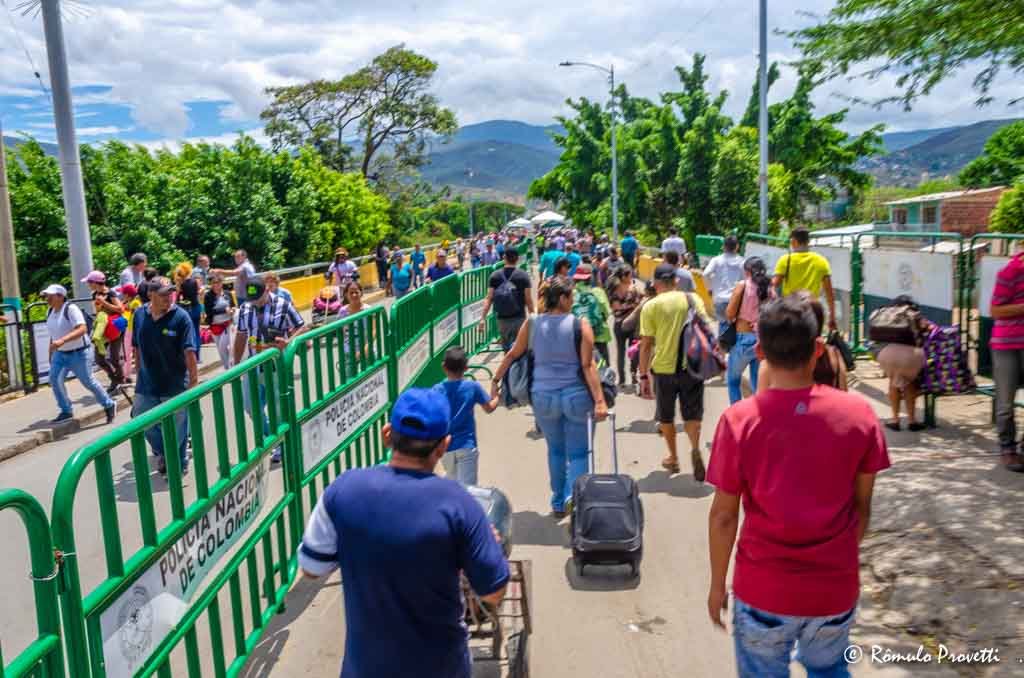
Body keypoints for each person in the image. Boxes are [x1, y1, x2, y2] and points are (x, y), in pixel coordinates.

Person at [706, 296, 890, 678]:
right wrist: (833, 561)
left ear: (759, 350)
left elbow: (724, 516)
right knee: (830, 670)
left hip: (762, 591)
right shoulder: (860, 415)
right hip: (834, 590)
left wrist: (716, 585)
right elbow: (862, 507)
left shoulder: (738, 421)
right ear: (818, 348)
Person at [298, 387, 509, 678]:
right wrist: (492, 546)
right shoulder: (460, 504)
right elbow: (494, 592)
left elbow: (311, 568)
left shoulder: (343, 491)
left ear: (387, 435)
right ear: (443, 446)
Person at [491, 276, 609, 518]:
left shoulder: (532, 323)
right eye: (571, 296)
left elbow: (513, 354)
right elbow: (588, 366)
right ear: (564, 298)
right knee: (578, 453)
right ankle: (571, 497)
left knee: (555, 450)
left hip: (542, 397)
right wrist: (600, 400)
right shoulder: (580, 324)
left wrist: (495, 380)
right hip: (577, 397)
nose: (573, 300)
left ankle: (557, 501)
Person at [638, 263, 712, 478]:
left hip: (663, 369)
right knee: (692, 414)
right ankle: (695, 447)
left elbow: (646, 344)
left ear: (656, 284)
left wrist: (643, 375)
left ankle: (673, 457)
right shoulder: (692, 299)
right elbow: (705, 328)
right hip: (691, 366)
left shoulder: (651, 306)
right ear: (676, 281)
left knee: (666, 417)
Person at [233, 277, 306, 463]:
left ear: (266, 290)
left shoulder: (282, 304)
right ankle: (272, 436)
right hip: (253, 364)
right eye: (252, 299)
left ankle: (281, 444)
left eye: (258, 297)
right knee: (250, 407)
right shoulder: (245, 308)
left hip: (275, 366)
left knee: (278, 409)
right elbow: (241, 335)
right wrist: (236, 365)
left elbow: (302, 326)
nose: (255, 302)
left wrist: (289, 341)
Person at [131, 278, 198, 476]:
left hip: (175, 384)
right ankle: (167, 454)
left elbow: (190, 351)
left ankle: (178, 462)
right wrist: (138, 374)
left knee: (177, 427)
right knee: (142, 422)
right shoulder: (139, 315)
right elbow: (137, 347)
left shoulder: (181, 317)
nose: (168, 298)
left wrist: (193, 383)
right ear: (151, 295)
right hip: (147, 384)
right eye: (162, 295)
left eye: (170, 293)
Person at [41, 284, 117, 424]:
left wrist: (62, 340)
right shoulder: (50, 312)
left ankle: (109, 404)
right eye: (46, 296)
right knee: (54, 379)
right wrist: (51, 352)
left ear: (60, 296)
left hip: (79, 353)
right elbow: (53, 335)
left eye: (50, 295)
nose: (47, 298)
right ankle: (66, 410)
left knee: (88, 382)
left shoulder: (71, 309)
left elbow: (81, 329)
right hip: (60, 354)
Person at [433, 346, 499, 485]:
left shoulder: (437, 389)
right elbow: (489, 408)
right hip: (466, 444)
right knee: (469, 489)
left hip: (446, 447)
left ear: (443, 367)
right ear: (466, 368)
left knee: (453, 482)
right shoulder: (472, 387)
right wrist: (496, 396)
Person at [875, 296, 934, 432]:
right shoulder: (915, 316)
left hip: (886, 354)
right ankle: (912, 421)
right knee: (909, 384)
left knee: (893, 383)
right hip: (910, 356)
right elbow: (931, 329)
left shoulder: (888, 315)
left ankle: (895, 420)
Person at [990, 249, 1024, 472]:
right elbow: (995, 310)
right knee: (1005, 403)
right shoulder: (1011, 272)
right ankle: (1008, 449)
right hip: (1008, 345)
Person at [725, 257, 774, 404]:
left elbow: (729, 313)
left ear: (747, 271)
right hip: (763, 341)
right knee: (757, 384)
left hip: (743, 339)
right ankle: (757, 415)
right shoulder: (769, 288)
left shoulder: (743, 285)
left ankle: (736, 413)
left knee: (733, 380)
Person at [772, 227, 837, 331]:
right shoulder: (821, 261)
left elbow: (773, 285)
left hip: (791, 311)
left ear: (793, 242)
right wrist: (832, 317)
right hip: (812, 311)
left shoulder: (785, 260)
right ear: (808, 241)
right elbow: (829, 293)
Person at [479, 248, 534, 350]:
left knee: (507, 349)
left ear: (504, 258)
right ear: (517, 259)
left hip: (502, 319)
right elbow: (529, 300)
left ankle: (508, 365)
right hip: (519, 318)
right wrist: (533, 318)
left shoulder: (494, 276)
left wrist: (483, 318)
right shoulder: (523, 276)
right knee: (520, 349)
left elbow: (489, 298)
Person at [83, 270, 128, 392]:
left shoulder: (111, 293)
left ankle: (120, 379)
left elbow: (121, 309)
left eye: (89, 282)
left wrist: (104, 302)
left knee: (114, 358)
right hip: (103, 329)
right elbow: (99, 312)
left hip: (115, 328)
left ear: (95, 283)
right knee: (99, 359)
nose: (88, 285)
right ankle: (115, 378)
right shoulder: (94, 294)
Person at [609, 265, 643, 386]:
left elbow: (615, 307)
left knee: (621, 352)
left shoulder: (614, 289)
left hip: (619, 324)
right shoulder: (634, 289)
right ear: (624, 276)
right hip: (632, 324)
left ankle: (622, 379)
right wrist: (633, 307)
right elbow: (641, 301)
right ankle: (633, 377)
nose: (631, 277)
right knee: (633, 351)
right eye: (630, 275)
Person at [572, 263, 612, 367]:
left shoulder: (571, 293)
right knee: (603, 368)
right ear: (590, 278)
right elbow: (607, 313)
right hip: (600, 336)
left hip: (580, 338)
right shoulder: (598, 292)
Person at [703, 235, 746, 324]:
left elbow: (706, 274)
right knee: (735, 327)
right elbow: (746, 280)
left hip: (719, 299)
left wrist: (710, 289)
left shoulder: (716, 260)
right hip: (736, 300)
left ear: (724, 246)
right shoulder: (742, 261)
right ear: (737, 246)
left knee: (723, 327)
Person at [204, 273, 236, 369]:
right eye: (213, 283)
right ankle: (227, 369)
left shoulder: (227, 293)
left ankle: (231, 368)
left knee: (224, 347)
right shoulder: (208, 296)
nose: (216, 285)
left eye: (218, 282)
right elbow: (209, 311)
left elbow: (233, 305)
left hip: (227, 324)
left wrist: (233, 309)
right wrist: (224, 310)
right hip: (215, 326)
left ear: (222, 283)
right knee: (220, 350)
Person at [177, 269, 203, 364]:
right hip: (197, 307)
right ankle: (198, 356)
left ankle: (192, 356)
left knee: (190, 333)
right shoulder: (194, 282)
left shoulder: (183, 285)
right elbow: (198, 292)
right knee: (197, 332)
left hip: (188, 309)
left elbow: (180, 298)